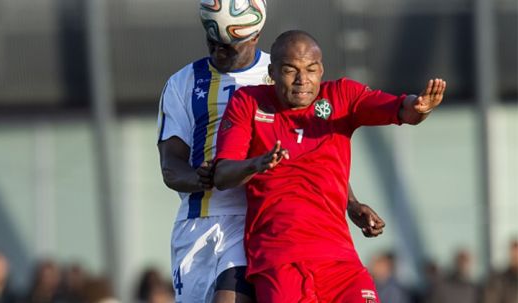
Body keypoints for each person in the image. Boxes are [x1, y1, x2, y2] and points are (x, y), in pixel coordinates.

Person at [157, 2, 386, 302]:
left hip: (255, 221)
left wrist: (350, 203)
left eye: (229, 45)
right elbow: (170, 166)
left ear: (253, 36)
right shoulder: (182, 83)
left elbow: (314, 151)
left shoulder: (283, 72)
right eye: (212, 43)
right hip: (198, 222)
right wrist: (206, 178)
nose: (218, 51)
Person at [214, 30, 446, 302]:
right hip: (280, 259)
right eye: (290, 70)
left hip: (340, 260)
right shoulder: (247, 103)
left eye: (311, 69)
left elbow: (402, 110)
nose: (302, 80)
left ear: (321, 69)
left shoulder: (342, 96)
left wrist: (421, 108)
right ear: (272, 72)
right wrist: (257, 164)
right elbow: (222, 175)